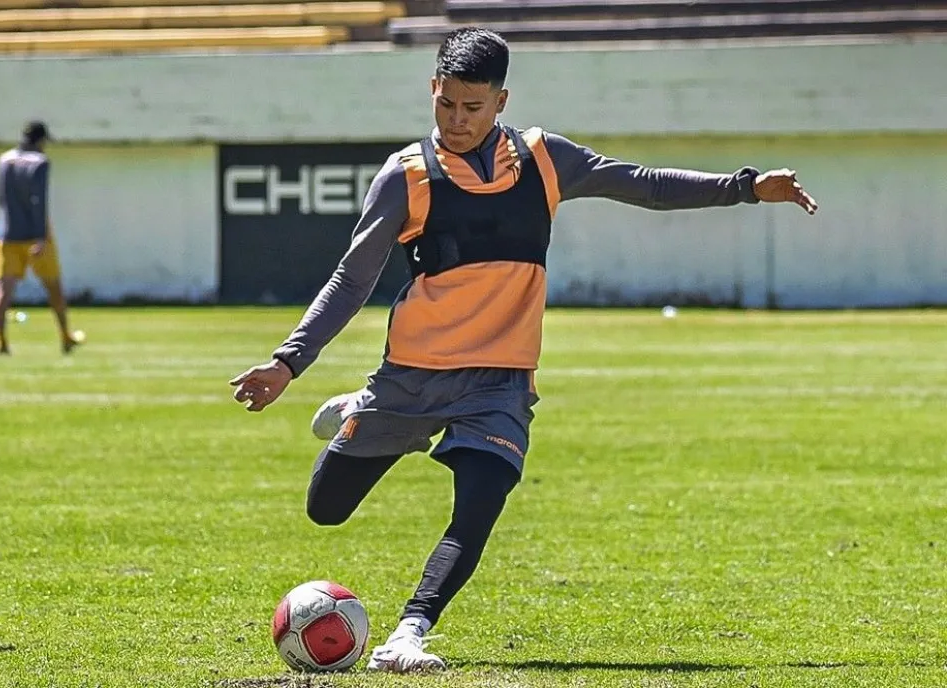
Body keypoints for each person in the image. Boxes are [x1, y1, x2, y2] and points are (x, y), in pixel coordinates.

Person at [230, 27, 818, 673]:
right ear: (433, 90)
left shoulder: (544, 158)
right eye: (446, 104)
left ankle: (408, 635)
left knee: (482, 498)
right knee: (327, 510)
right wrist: (289, 362)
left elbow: (643, 184)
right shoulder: (407, 177)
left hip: (500, 378)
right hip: (415, 373)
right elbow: (353, 277)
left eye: (472, 107)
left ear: (501, 100)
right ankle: (359, 409)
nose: (457, 119)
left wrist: (745, 185)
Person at [0, 120, 82, 355]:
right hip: (35, 235)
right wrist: (41, 237)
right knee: (54, 287)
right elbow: (38, 200)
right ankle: (65, 336)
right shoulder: (40, 163)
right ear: (40, 140)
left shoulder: (4, 160)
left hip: (8, 234)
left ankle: (0, 341)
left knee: (3, 290)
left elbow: (1, 198)